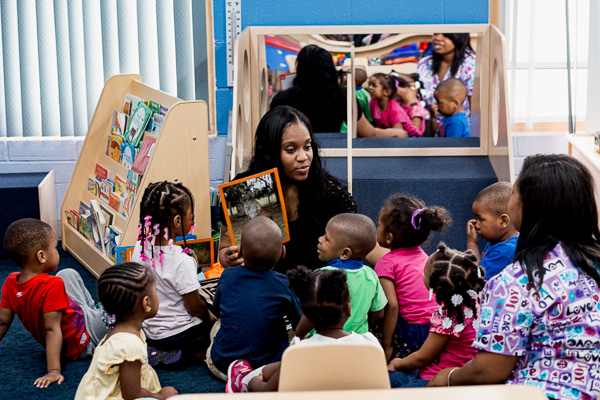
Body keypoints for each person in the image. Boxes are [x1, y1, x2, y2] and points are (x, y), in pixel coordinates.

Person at [428, 154, 600, 400]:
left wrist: (448, 377)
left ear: (530, 208)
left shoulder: (516, 281)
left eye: (515, 194)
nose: (511, 202)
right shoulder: (594, 265)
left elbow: (489, 371)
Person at [218, 106, 363, 273]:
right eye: (291, 150)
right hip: (267, 289)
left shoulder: (328, 190)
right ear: (270, 153)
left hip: (316, 291)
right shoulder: (245, 190)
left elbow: (360, 239)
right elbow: (224, 251)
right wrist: (228, 258)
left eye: (307, 147)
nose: (303, 157)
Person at [225, 265, 382, 392]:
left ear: (305, 314)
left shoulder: (299, 350)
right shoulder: (370, 344)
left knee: (270, 370)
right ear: (348, 309)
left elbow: (266, 390)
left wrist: (254, 382)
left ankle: (243, 380)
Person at [0, 218, 107, 388]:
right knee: (122, 310)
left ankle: (93, 311)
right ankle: (99, 317)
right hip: (83, 339)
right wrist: (54, 370)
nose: (57, 253)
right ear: (41, 256)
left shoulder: (10, 282)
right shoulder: (51, 285)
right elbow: (52, 330)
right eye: (55, 249)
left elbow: (2, 322)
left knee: (67, 273)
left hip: (76, 315)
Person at [206, 217, 302, 380]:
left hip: (224, 366)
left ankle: (237, 375)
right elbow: (298, 324)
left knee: (219, 325)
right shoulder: (285, 284)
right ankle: (251, 378)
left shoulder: (227, 275)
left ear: (240, 250)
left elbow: (217, 310)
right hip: (267, 370)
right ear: (283, 252)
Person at [131, 181, 214, 366]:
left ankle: (155, 350)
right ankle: (183, 356)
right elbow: (194, 307)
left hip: (149, 330)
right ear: (177, 221)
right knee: (217, 332)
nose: (192, 221)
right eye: (190, 217)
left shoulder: (139, 248)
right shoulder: (182, 262)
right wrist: (208, 315)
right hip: (179, 334)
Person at [75, 263, 178, 400]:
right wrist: (160, 395)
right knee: (172, 395)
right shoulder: (129, 344)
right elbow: (132, 394)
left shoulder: (118, 331)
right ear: (146, 303)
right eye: (156, 291)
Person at [388, 243, 485, 388]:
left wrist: (397, 363)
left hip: (436, 377)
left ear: (434, 286)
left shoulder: (448, 317)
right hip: (460, 370)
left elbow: (422, 358)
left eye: (425, 273)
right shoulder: (474, 302)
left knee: (388, 383)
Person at [270, 44, 407, 138]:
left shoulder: (282, 99)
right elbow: (368, 133)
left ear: (299, 68)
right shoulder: (343, 95)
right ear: (330, 68)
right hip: (335, 154)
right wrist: (394, 133)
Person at [375, 195, 451, 362]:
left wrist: (387, 346)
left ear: (389, 237)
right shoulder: (423, 255)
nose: (376, 229)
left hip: (413, 331)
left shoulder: (385, 263)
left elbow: (392, 306)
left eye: (379, 225)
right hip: (436, 327)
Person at [295, 213, 388, 338]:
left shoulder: (320, 277)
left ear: (345, 253)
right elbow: (379, 313)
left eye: (326, 239)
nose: (320, 239)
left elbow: (309, 315)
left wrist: (300, 334)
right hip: (358, 342)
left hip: (322, 341)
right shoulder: (371, 275)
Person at [417, 33, 476, 133]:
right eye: (435, 34)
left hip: (458, 126)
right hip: (428, 123)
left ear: (459, 37)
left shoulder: (471, 64)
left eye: (446, 35)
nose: (437, 38)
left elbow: (475, 107)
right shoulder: (424, 63)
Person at [466, 181, 519, 279]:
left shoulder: (504, 252)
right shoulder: (498, 240)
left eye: (481, 219)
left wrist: (472, 243)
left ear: (503, 221)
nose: (476, 225)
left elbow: (475, 280)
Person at [368, 73, 420, 137]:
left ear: (387, 92)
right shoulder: (373, 102)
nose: (370, 87)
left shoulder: (395, 110)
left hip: (411, 137)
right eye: (369, 84)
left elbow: (399, 134)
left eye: (374, 85)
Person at [391, 72, 428, 136]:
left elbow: (414, 132)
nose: (395, 88)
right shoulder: (398, 103)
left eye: (399, 84)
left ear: (413, 86)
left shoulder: (416, 109)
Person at [341, 67, 373, 133]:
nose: (344, 77)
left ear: (355, 80)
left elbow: (368, 114)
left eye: (347, 76)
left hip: (355, 129)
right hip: (340, 127)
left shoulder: (364, 95)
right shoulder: (342, 91)